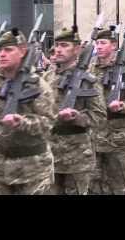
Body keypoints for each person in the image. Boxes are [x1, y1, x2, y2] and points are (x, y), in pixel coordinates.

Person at [0, 28, 57, 195]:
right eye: (0, 50)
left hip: (32, 167)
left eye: (8, 50)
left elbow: (49, 124)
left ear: (22, 51)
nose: (2, 54)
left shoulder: (37, 85)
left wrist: (23, 123)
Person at [43, 27, 106, 195]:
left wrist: (78, 118)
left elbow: (99, 117)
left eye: (64, 45)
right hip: (50, 153)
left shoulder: (88, 80)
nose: (58, 49)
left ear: (77, 49)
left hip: (77, 155)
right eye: (57, 45)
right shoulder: (46, 77)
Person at [89, 27, 125, 195]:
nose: (98, 46)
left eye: (103, 43)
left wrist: (122, 106)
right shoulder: (88, 71)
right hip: (93, 138)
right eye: (97, 43)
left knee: (118, 186)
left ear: (113, 45)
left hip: (119, 138)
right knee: (92, 186)